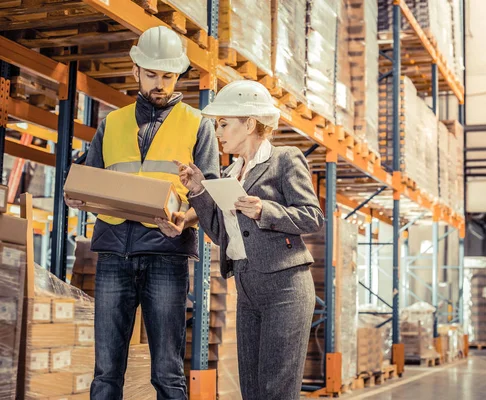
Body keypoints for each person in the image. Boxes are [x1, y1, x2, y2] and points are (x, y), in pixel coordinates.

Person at [64, 26, 220, 399]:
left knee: (167, 373)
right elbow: (92, 184)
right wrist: (78, 198)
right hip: (115, 254)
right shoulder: (111, 124)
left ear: (178, 75)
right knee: (105, 374)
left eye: (168, 76)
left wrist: (187, 218)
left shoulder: (198, 125)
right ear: (136, 71)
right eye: (152, 74)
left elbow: (209, 195)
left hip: (167, 255)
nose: (160, 84)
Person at [174, 80, 324, 400]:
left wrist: (264, 210)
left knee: (276, 389)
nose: (219, 133)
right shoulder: (230, 175)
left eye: (224, 124)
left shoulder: (284, 159)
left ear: (249, 124)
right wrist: (199, 189)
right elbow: (218, 232)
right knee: (252, 390)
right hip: (246, 285)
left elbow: (313, 217)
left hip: (285, 285)